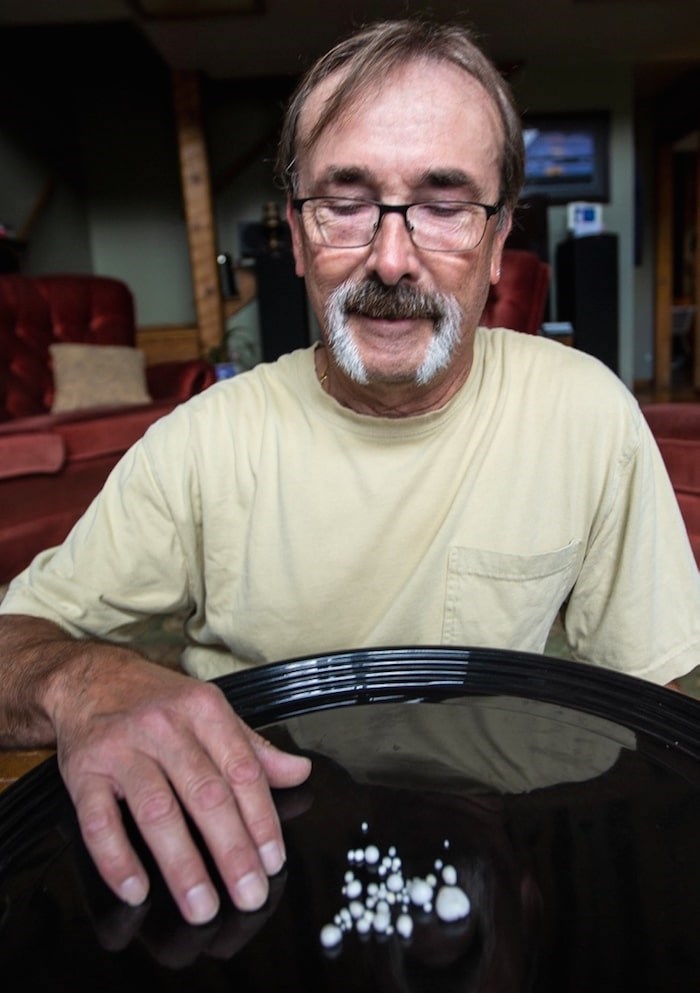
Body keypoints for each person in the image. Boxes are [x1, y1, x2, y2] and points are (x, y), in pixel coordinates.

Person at [0, 18, 698, 930]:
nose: (393, 258)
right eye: (347, 200)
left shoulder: (586, 413)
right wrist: (85, 683)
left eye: (444, 204)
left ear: (497, 243)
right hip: (254, 881)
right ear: (295, 233)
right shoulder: (203, 443)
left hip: (504, 859)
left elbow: (661, 705)